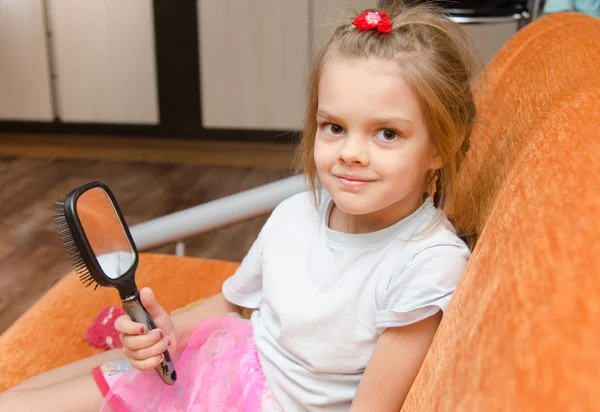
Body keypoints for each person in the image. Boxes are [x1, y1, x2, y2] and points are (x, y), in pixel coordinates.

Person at [0, 2, 479, 410]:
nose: (350, 152)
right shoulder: (296, 214)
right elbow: (232, 302)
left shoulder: (426, 264)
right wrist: (165, 333)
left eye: (387, 133)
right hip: (229, 362)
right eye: (334, 127)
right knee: (20, 396)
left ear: (442, 144)